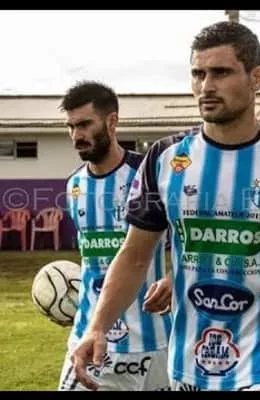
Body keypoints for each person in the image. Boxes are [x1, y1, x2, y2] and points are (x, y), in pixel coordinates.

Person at [70, 21, 260, 392]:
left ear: (256, 78)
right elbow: (135, 256)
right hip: (186, 370)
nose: (206, 86)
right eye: (198, 74)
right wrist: (98, 326)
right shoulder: (164, 160)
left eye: (220, 72)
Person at [58, 81, 173, 391]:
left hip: (152, 343)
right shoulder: (74, 186)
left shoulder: (149, 175)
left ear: (111, 122)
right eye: (71, 127)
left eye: (85, 124)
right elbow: (90, 261)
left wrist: (174, 276)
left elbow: (191, 238)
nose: (76, 135)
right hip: (90, 337)